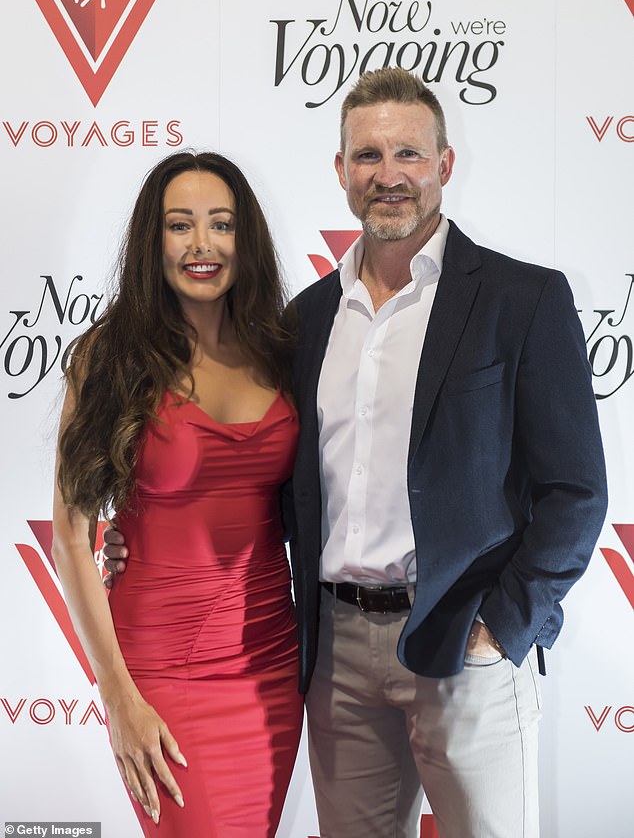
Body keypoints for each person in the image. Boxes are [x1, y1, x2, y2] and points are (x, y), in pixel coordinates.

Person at [106, 69, 608, 838]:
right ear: (341, 173)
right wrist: (140, 533)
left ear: (445, 163)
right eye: (367, 155)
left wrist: (505, 627)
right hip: (333, 651)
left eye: (408, 152)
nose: (388, 173)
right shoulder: (302, 322)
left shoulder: (522, 300)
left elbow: (577, 491)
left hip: (465, 640)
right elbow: (268, 479)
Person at [53, 151, 303, 837]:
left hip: (272, 665)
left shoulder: (281, 350)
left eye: (221, 225)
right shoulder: (107, 356)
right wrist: (117, 696)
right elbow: (71, 538)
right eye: (179, 225)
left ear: (244, 239)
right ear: (151, 240)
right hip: (162, 671)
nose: (202, 245)